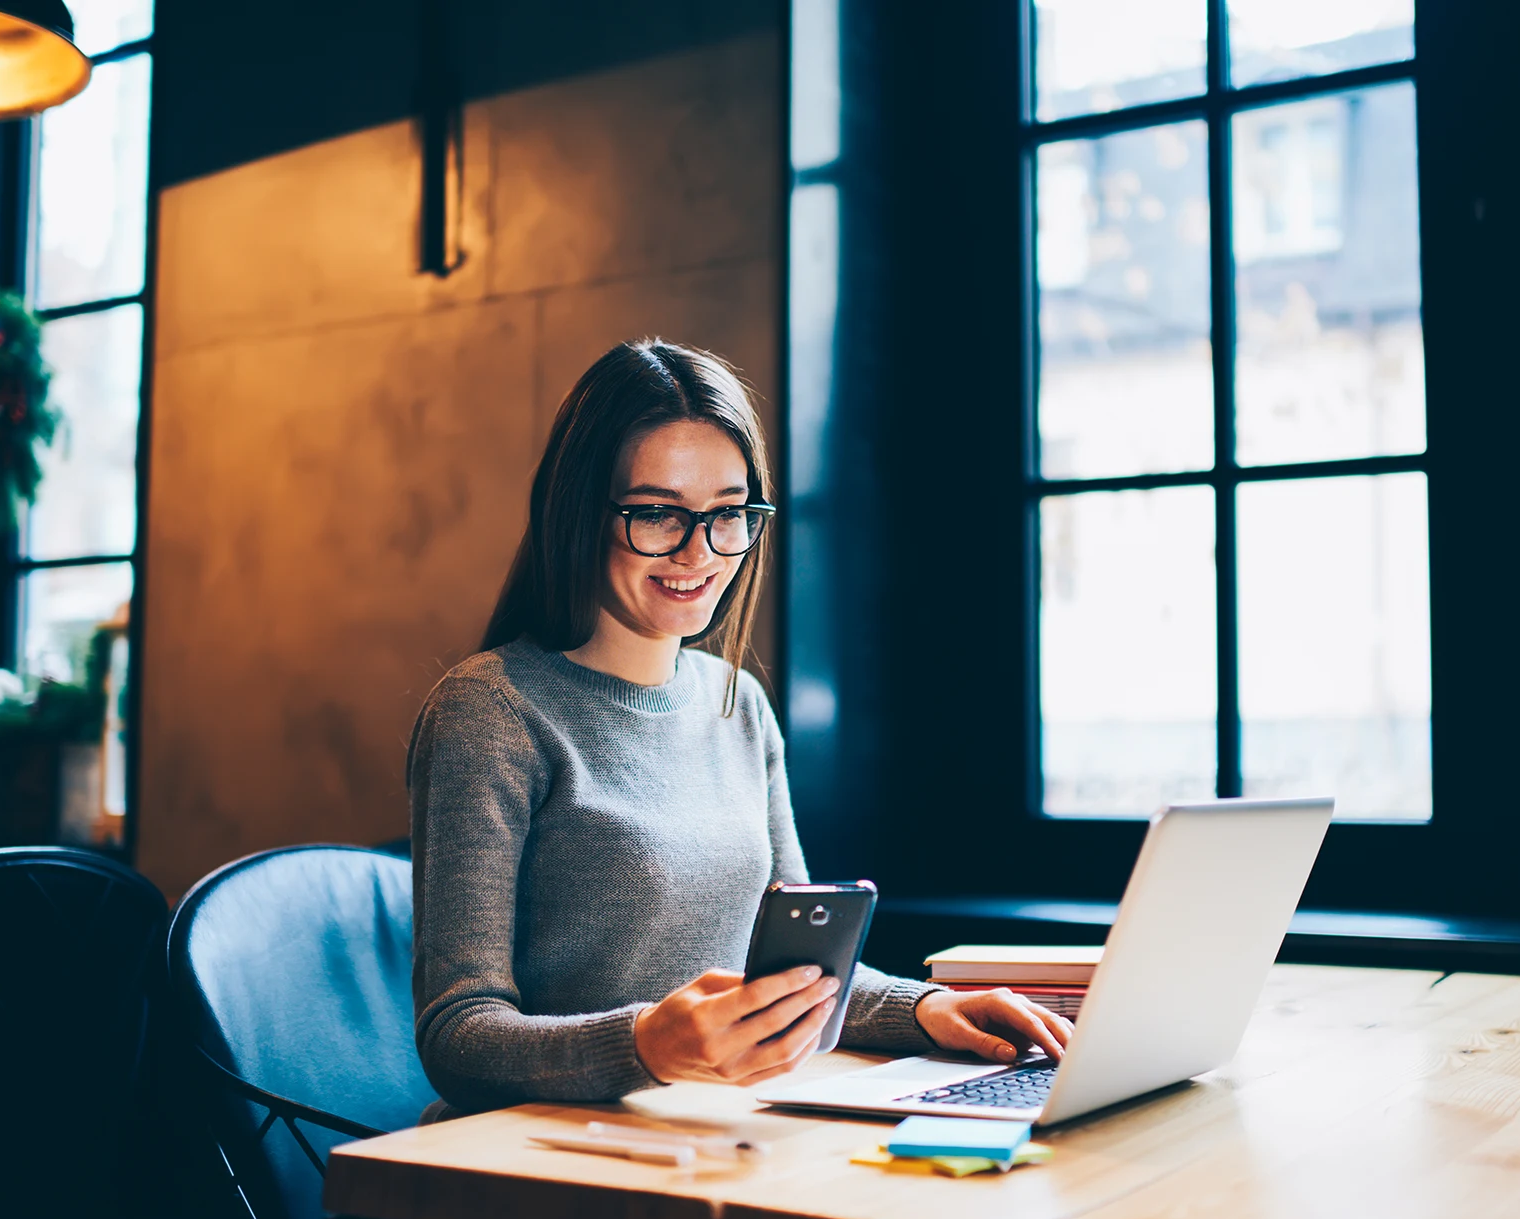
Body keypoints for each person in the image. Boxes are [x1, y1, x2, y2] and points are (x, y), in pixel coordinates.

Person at [409, 339, 1072, 1114]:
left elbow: (798, 974)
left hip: (717, 1133)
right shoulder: (491, 711)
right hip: (551, 1159)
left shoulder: (738, 704)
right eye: (657, 514)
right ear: (579, 511)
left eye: (728, 514)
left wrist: (924, 1010)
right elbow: (458, 1038)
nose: (700, 552)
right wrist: (648, 1045)